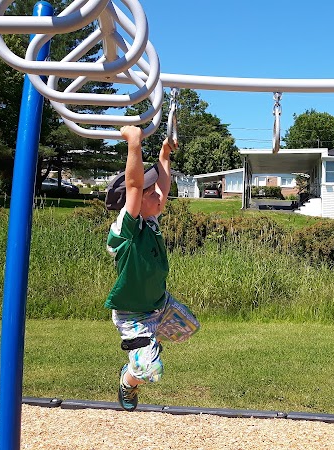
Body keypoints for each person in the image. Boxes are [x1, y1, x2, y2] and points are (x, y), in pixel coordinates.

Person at [103, 125, 197, 412]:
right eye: (150, 191)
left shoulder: (150, 220)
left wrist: (164, 154)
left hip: (159, 303)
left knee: (188, 328)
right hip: (133, 314)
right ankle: (129, 378)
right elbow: (133, 186)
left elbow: (163, 188)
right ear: (135, 201)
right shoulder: (126, 229)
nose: (159, 195)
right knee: (149, 372)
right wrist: (134, 143)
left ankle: (146, 346)